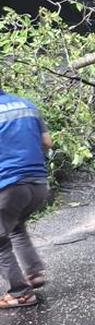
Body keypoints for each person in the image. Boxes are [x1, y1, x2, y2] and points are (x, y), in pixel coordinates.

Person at [0, 88, 52, 309]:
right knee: (15, 226)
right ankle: (34, 273)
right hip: (39, 185)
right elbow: (47, 142)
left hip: (9, 187)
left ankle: (21, 293)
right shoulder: (27, 105)